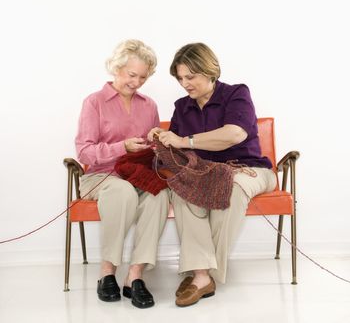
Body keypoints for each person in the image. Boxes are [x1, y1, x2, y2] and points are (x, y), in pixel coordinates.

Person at [148, 42, 277, 307]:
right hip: (204, 172)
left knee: (230, 186)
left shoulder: (236, 94)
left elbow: (234, 134)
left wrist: (184, 140)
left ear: (209, 71)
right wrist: (160, 137)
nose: (185, 83)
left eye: (190, 76)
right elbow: (175, 151)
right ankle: (201, 274)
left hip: (248, 169)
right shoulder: (182, 106)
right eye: (181, 78)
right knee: (183, 191)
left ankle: (201, 274)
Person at [75, 39, 169, 309]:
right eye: (131, 75)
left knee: (158, 196)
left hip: (137, 173)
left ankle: (135, 276)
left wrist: (155, 138)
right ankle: (107, 271)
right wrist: (121, 147)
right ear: (116, 68)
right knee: (122, 191)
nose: (137, 82)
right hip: (101, 177)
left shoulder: (149, 105)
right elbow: (84, 153)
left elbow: (152, 150)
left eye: (142, 77)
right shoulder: (94, 102)